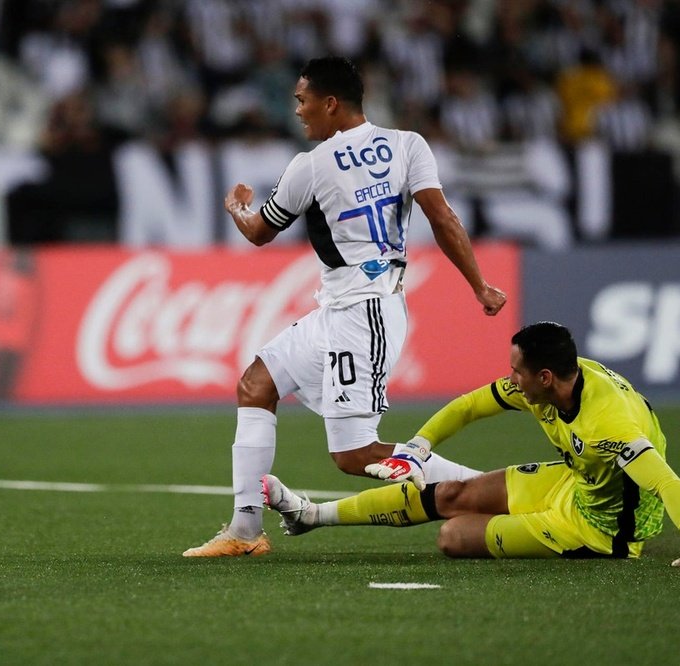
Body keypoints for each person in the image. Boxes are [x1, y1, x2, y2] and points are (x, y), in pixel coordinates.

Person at [183, 56, 507, 558]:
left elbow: (260, 233)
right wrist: (479, 286)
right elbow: (442, 218)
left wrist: (235, 207)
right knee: (256, 383)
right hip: (342, 309)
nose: (297, 110)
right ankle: (245, 531)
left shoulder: (309, 165)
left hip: (366, 313)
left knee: (355, 454)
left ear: (330, 103)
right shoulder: (407, 144)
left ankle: (501, 491)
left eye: (301, 99)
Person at [263, 322, 680, 565]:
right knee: (452, 493)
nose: (510, 379)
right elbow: (470, 406)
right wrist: (419, 444)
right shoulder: (555, 382)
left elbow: (666, 482)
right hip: (577, 482)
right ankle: (310, 516)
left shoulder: (609, 424)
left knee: (453, 536)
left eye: (517, 371)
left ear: (544, 378)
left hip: (601, 530)